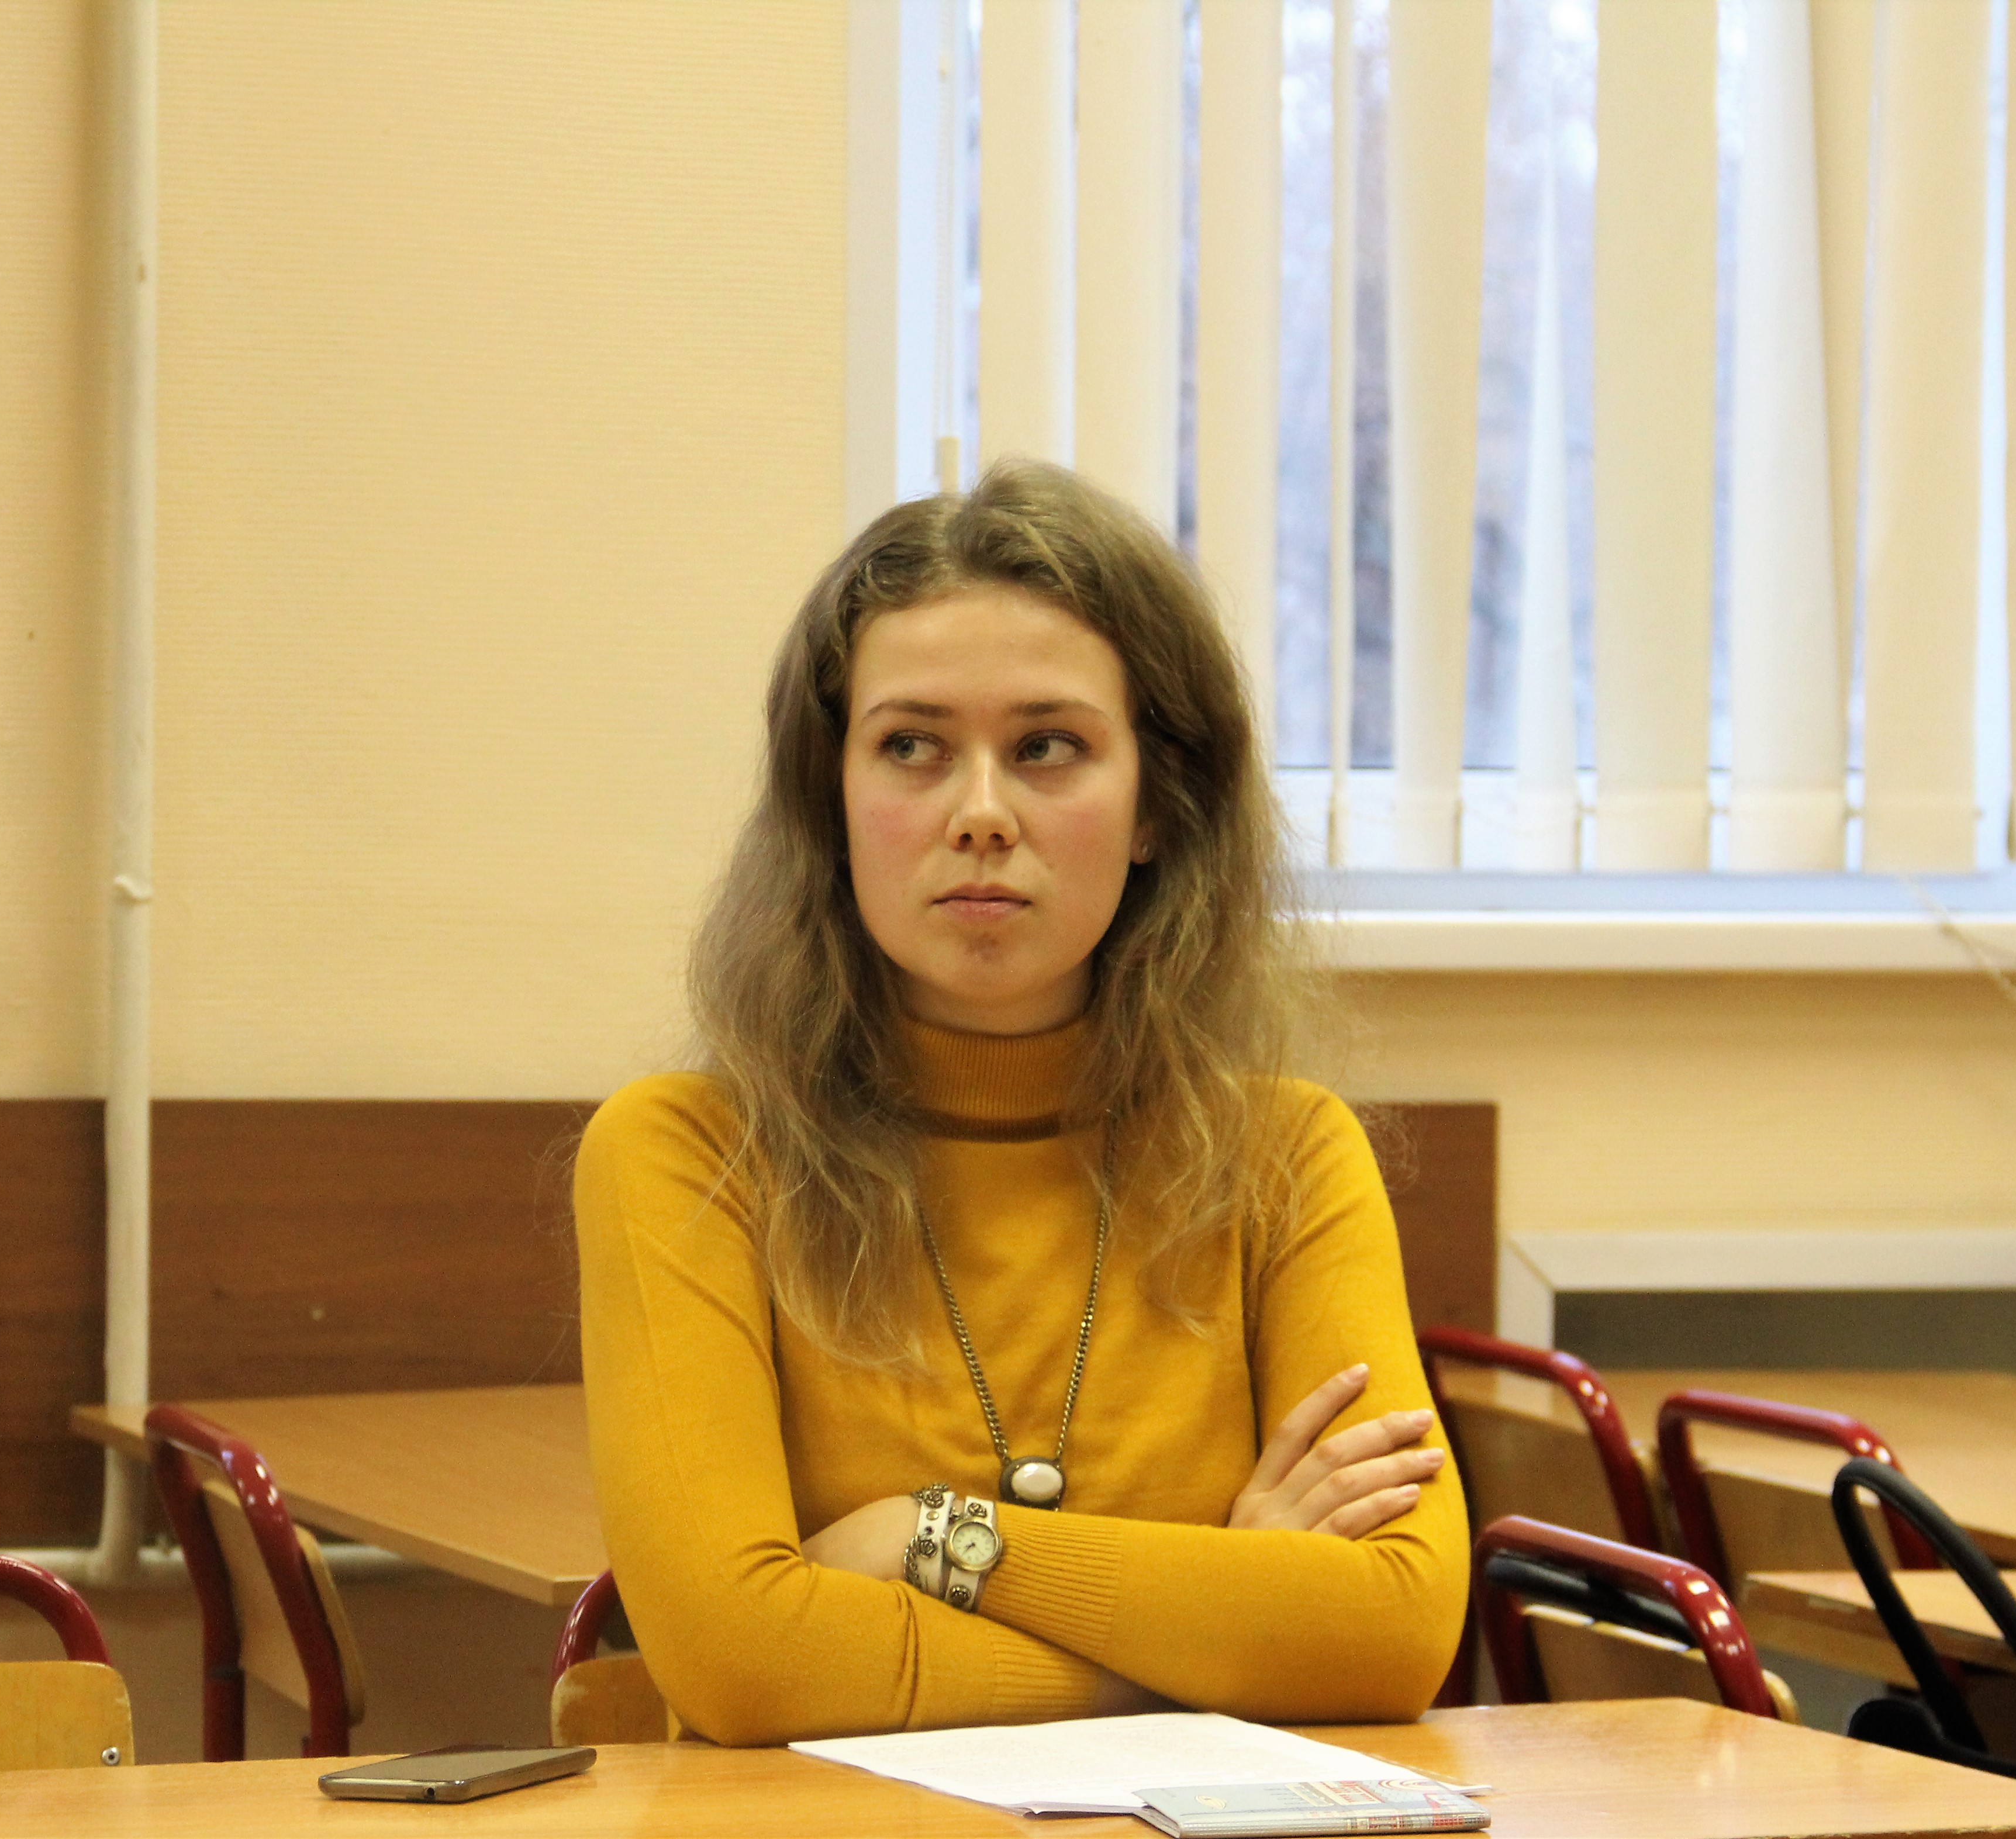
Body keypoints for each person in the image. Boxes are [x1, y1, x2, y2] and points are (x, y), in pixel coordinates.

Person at [574, 461, 1464, 1745]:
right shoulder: (686, 1156)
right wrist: (1212, 1641)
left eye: (1047, 747)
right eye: (912, 747)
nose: (980, 814)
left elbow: (1391, 1632)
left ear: (1157, 803)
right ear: (832, 800)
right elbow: (745, 1662)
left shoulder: (1287, 1156)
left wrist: (927, 1538)